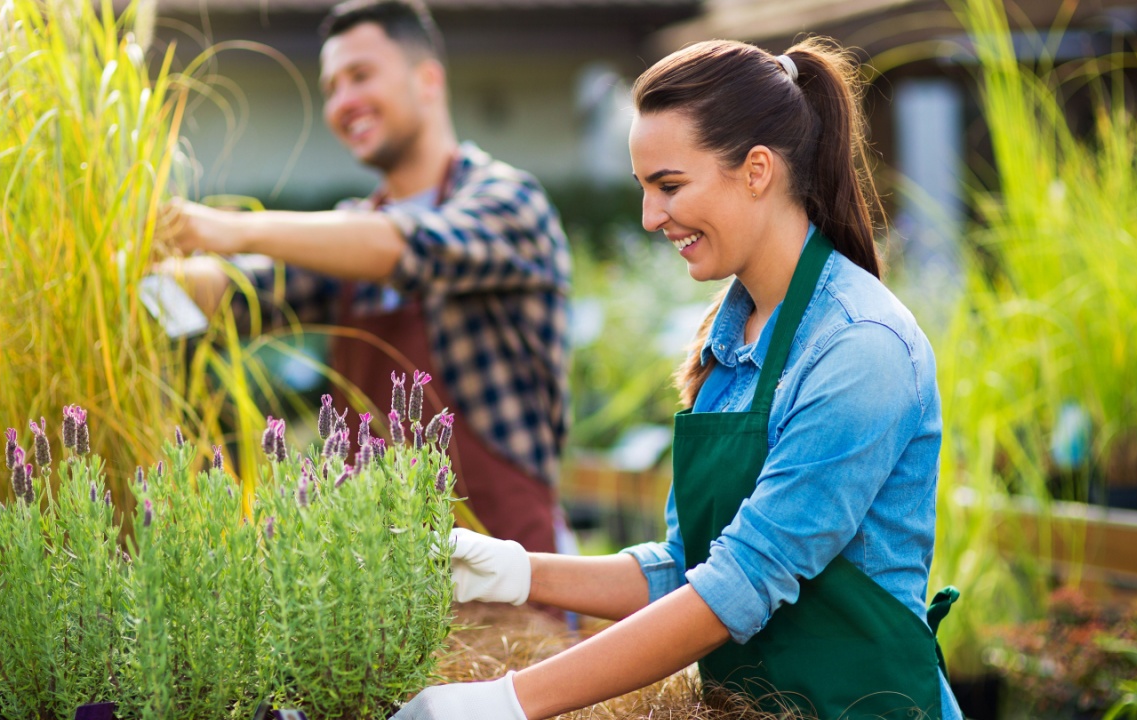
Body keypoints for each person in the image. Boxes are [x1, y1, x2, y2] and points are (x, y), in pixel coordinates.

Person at [391, 37, 964, 720]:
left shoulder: (859, 349)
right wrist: (518, 570)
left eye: (668, 186)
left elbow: (737, 587)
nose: (650, 217)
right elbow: (684, 568)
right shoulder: (728, 337)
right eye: (643, 189)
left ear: (756, 171)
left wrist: (508, 702)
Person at [159, 0, 571, 554]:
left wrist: (233, 229)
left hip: (513, 567)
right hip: (377, 576)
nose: (342, 101)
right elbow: (241, 290)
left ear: (427, 79)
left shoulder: (507, 200)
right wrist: (141, 268)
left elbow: (411, 246)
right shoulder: (345, 235)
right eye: (330, 87)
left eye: (360, 76)